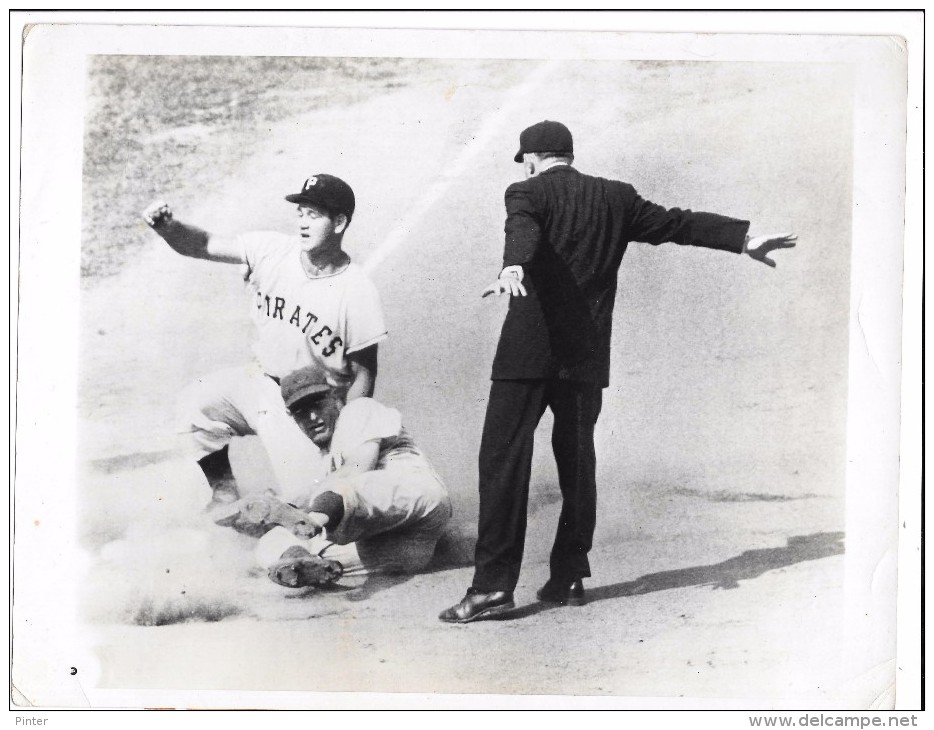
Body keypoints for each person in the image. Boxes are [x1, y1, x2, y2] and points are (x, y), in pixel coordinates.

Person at [439, 120, 797, 623]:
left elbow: (521, 228)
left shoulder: (524, 190)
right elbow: (679, 224)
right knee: (577, 461)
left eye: (526, 160)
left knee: (502, 463)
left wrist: (512, 268)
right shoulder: (616, 197)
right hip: (586, 355)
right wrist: (742, 240)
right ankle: (569, 572)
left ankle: (494, 588)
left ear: (533, 158)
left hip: (527, 352)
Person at [142, 174, 387, 512]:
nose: (302, 222)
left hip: (311, 407)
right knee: (194, 404)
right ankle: (225, 496)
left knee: (310, 502)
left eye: (313, 215)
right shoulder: (272, 250)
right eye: (300, 212)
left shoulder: (357, 290)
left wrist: (347, 432)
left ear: (340, 222)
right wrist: (168, 228)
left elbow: (364, 374)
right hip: (261, 385)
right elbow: (201, 244)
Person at [216, 366, 452, 587]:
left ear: (335, 398)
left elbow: (359, 468)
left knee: (346, 488)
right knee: (271, 543)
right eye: (300, 413)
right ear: (294, 420)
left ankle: (312, 521)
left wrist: (300, 511)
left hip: (416, 499)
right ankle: (302, 565)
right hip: (405, 549)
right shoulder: (326, 463)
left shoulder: (358, 410)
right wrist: (274, 516)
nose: (311, 417)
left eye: (317, 404)